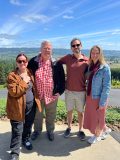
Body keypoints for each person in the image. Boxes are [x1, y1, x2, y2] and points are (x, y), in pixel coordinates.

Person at [6, 53, 41, 160]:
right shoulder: (12, 75)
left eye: (24, 61)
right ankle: (14, 152)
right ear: (16, 62)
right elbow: (14, 92)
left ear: (27, 62)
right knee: (17, 130)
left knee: (28, 125)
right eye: (19, 61)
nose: (22, 63)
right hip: (17, 108)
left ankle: (25, 140)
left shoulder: (30, 72)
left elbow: (34, 88)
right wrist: (24, 83)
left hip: (31, 106)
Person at [28, 41, 65, 141]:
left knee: (51, 115)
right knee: (37, 115)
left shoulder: (56, 63)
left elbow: (62, 79)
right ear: (40, 49)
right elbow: (27, 74)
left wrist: (59, 92)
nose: (47, 50)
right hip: (38, 96)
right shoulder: (33, 62)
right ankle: (37, 131)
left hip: (51, 95)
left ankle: (50, 131)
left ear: (51, 50)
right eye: (45, 48)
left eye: (49, 48)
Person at [58, 38, 88, 140]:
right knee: (69, 111)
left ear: (81, 45)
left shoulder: (87, 60)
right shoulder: (67, 58)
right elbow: (56, 62)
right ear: (71, 48)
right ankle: (69, 127)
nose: (76, 47)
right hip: (69, 91)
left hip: (81, 92)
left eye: (77, 45)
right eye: (73, 46)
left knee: (80, 112)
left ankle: (80, 130)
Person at [83, 45, 111, 144]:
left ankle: (97, 135)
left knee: (98, 117)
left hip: (99, 97)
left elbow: (107, 87)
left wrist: (102, 103)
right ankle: (106, 130)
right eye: (93, 53)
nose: (94, 55)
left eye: (97, 53)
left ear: (100, 54)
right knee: (94, 116)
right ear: (90, 54)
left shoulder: (105, 68)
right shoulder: (90, 66)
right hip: (91, 95)